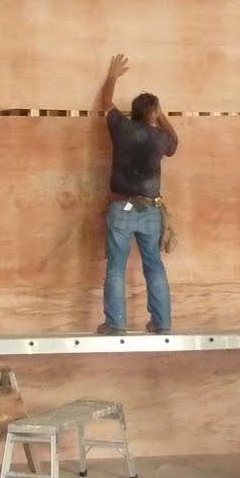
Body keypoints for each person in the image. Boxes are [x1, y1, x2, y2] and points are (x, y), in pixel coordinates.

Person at [97, 54, 178, 335]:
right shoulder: (159, 139)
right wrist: (160, 114)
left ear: (133, 112)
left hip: (122, 208)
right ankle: (162, 323)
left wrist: (112, 77)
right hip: (151, 210)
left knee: (116, 269)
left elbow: (105, 105)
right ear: (152, 114)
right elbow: (175, 142)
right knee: (154, 267)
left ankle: (116, 324)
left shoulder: (122, 128)